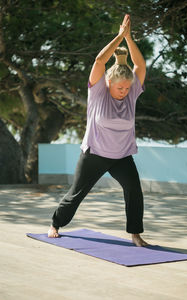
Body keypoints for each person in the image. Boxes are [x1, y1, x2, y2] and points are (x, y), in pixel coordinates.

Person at [48, 14, 148, 247]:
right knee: (76, 194)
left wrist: (130, 39)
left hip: (122, 156)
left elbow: (140, 65)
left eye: (127, 87)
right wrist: (119, 37)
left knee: (134, 190)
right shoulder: (97, 93)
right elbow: (99, 61)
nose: (124, 91)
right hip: (94, 154)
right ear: (109, 84)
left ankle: (135, 234)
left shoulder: (132, 93)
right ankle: (55, 224)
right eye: (120, 88)